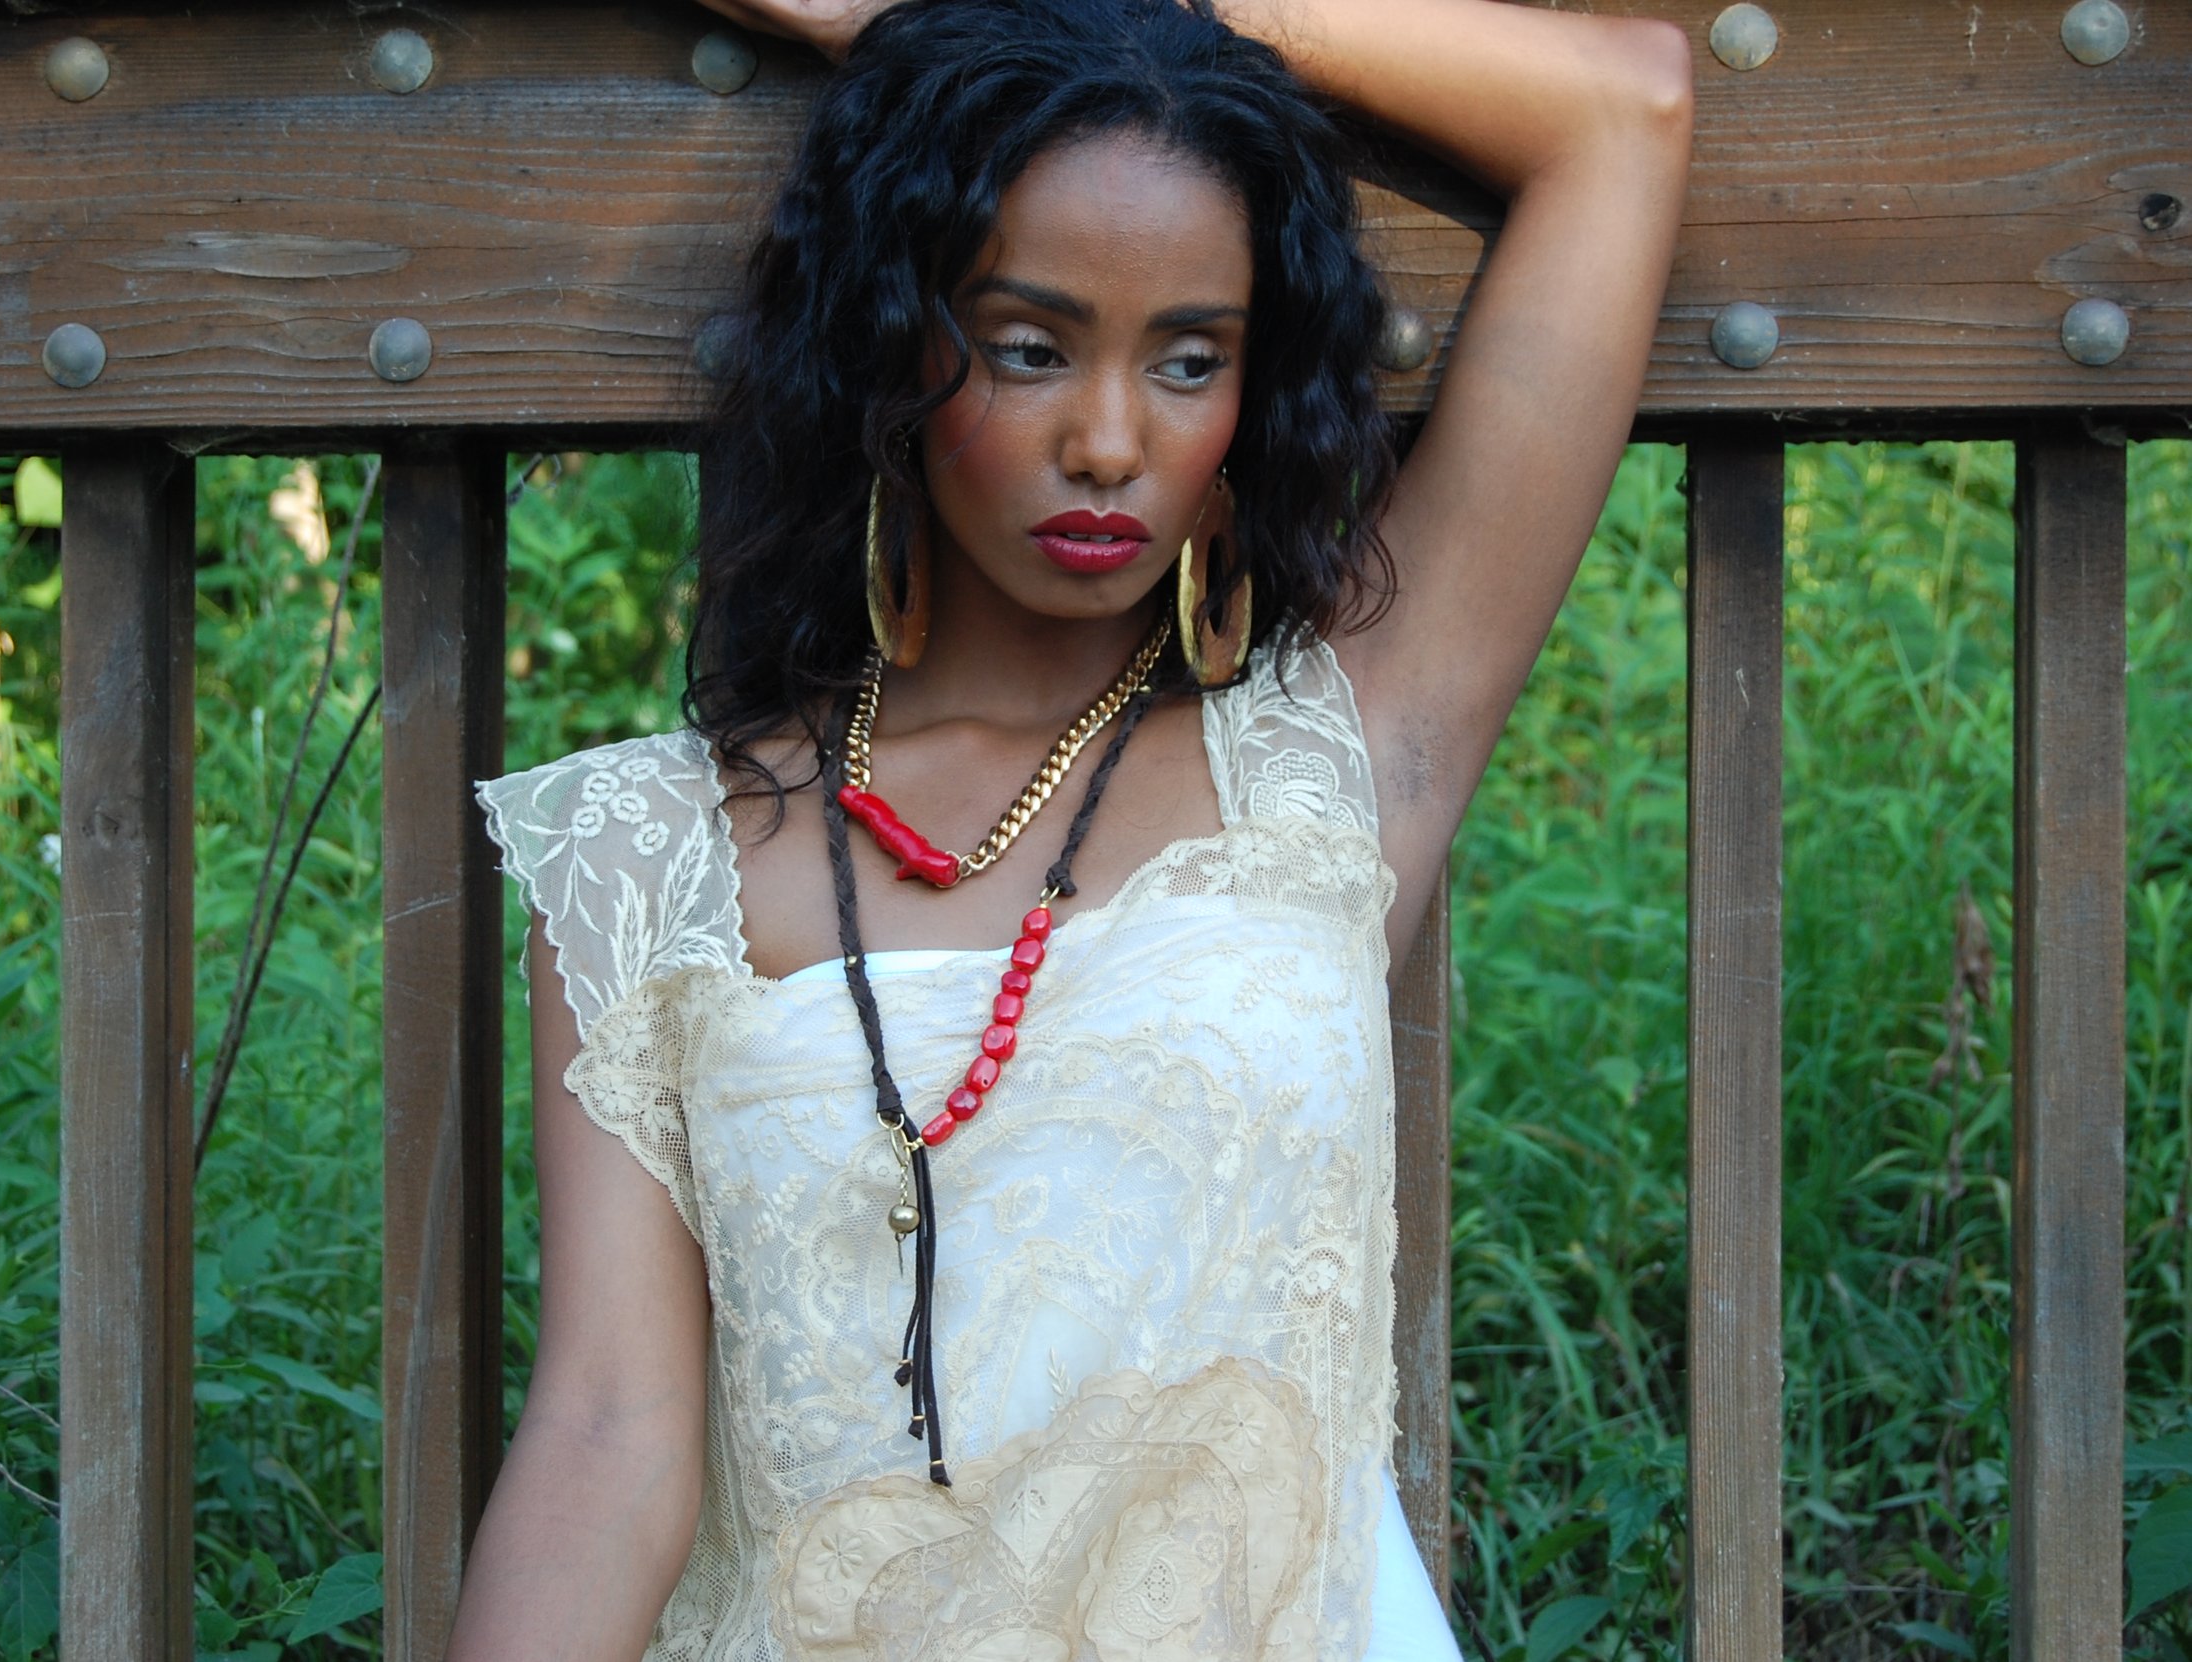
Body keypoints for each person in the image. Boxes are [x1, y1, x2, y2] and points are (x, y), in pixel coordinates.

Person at [451, 0, 1690, 1655]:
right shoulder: (654, 849)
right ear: (896, 342)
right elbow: (610, 1432)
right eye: (1029, 345)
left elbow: (1626, 108)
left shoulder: (1335, 761)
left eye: (1190, 358)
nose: (1111, 439)